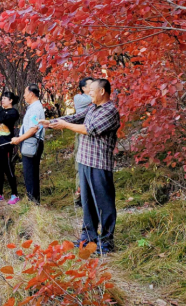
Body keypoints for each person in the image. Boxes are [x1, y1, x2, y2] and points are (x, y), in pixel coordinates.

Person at [41, 78, 120, 255]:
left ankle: (106, 242)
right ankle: (88, 237)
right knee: (87, 203)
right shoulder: (93, 107)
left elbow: (89, 129)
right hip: (84, 161)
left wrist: (65, 125)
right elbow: (75, 117)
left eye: (92, 90)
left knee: (104, 204)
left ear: (102, 91)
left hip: (99, 164)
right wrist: (52, 122)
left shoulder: (110, 111)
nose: (89, 93)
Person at [11, 84, 45, 204]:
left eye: (25, 93)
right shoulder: (33, 107)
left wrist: (19, 139)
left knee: (30, 174)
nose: (24, 96)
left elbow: (33, 129)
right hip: (30, 144)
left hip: (31, 144)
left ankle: (33, 203)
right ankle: (34, 202)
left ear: (31, 94)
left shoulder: (35, 108)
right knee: (31, 174)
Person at [0, 91, 20, 204]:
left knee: (8, 169)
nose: (2, 100)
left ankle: (15, 194)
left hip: (5, 145)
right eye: (2, 98)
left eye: (5, 98)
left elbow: (2, 117)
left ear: (11, 100)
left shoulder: (13, 112)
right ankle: (0, 193)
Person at [73, 77, 94, 206]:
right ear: (84, 88)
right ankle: (79, 196)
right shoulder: (79, 98)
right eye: (91, 85)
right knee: (80, 164)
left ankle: (89, 195)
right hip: (81, 133)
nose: (93, 87)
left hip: (92, 134)